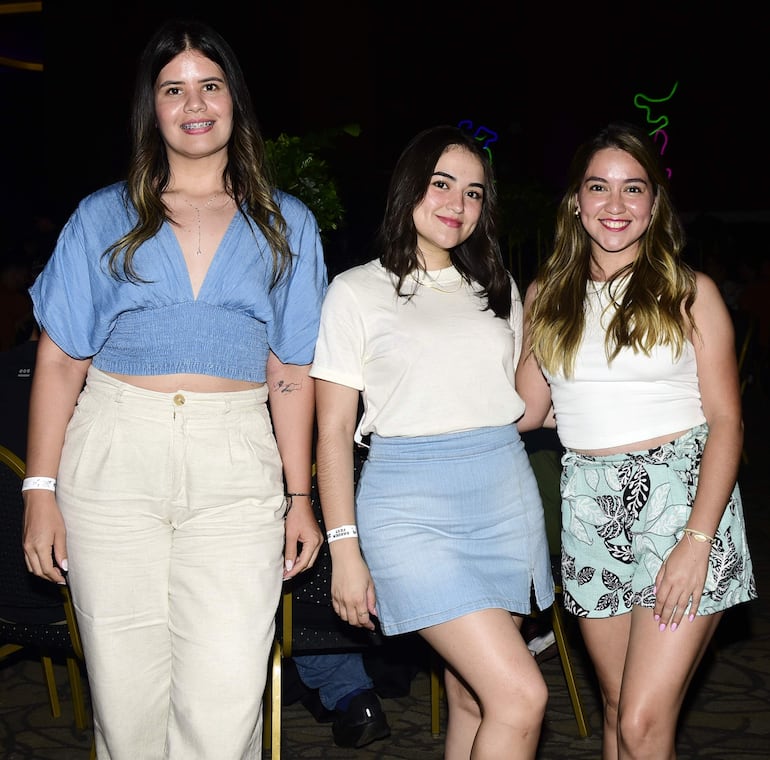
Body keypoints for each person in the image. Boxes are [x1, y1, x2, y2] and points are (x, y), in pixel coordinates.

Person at [22, 18, 326, 760]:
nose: (194, 103)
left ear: (235, 101)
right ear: (152, 109)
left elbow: (290, 372)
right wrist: (39, 489)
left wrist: (299, 497)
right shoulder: (102, 216)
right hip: (113, 457)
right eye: (173, 88)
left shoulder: (288, 224)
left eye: (210, 84)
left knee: (225, 706)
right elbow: (60, 361)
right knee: (126, 710)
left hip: (236, 462)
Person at [310, 124, 554, 759]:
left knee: (475, 695)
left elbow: (521, 408)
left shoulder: (496, 287)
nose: (457, 203)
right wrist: (344, 549)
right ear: (409, 188)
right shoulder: (355, 291)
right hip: (410, 512)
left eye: (474, 192)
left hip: (504, 498)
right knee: (521, 697)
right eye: (441, 183)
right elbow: (332, 429)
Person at [515, 121, 757, 759]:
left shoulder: (689, 293)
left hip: (683, 505)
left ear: (654, 205)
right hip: (590, 506)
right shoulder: (545, 298)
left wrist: (697, 541)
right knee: (620, 711)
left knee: (645, 724)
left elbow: (728, 422)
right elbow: (526, 412)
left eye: (633, 189)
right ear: (575, 200)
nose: (614, 206)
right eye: (598, 187)